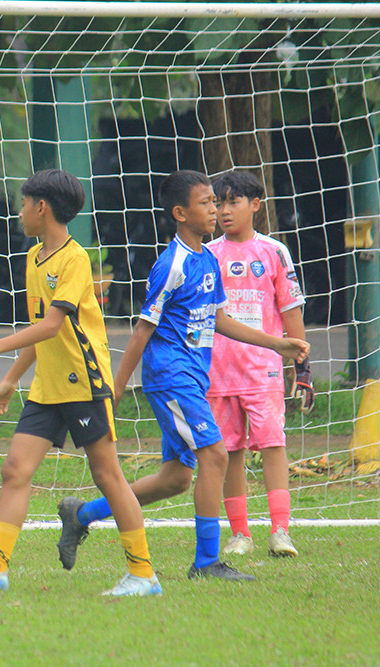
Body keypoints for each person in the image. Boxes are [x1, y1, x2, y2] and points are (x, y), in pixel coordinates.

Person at [56, 170, 309, 582]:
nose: (216, 209)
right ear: (180, 212)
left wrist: (276, 344)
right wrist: (114, 392)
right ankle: (207, 562)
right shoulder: (171, 263)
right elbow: (142, 330)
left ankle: (81, 514)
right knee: (216, 454)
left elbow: (220, 319)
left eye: (217, 201)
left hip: (193, 378)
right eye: (207, 202)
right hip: (171, 377)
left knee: (175, 479)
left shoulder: (207, 258)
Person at [0, 170, 158, 596]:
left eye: (23, 204)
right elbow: (40, 328)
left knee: (108, 476)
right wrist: (10, 379)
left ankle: (143, 574)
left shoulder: (75, 259)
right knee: (15, 469)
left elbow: (54, 324)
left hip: (84, 382)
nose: (18, 213)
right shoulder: (33, 256)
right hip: (48, 386)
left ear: (42, 208)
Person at [208, 170, 311, 558]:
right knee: (229, 450)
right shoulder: (209, 254)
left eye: (232, 202)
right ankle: (240, 533)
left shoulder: (273, 252)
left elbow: (290, 309)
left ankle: (280, 531)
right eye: (218, 203)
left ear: (255, 204)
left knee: (272, 444)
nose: (223, 211)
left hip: (263, 370)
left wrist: (301, 367)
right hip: (218, 371)